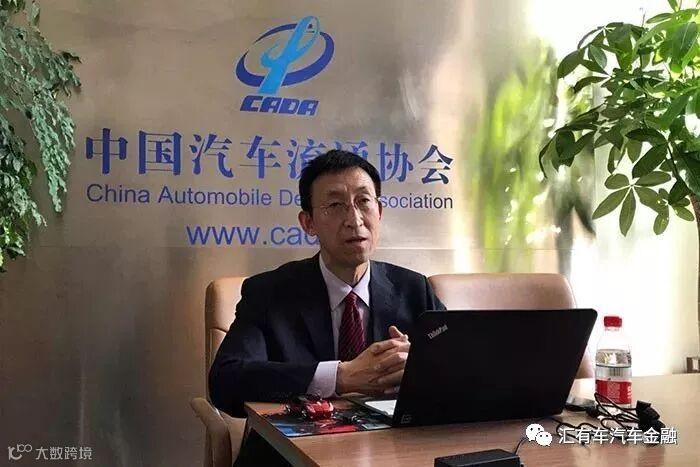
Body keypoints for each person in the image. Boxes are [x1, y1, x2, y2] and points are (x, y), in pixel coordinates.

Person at [209, 150, 445, 466]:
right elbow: (225, 381)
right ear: (308, 222)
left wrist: (418, 367)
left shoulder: (414, 288)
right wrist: (340, 377)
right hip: (289, 458)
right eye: (335, 205)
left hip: (392, 454)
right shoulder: (269, 292)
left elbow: (465, 366)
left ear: (379, 211)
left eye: (364, 201)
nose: (354, 220)